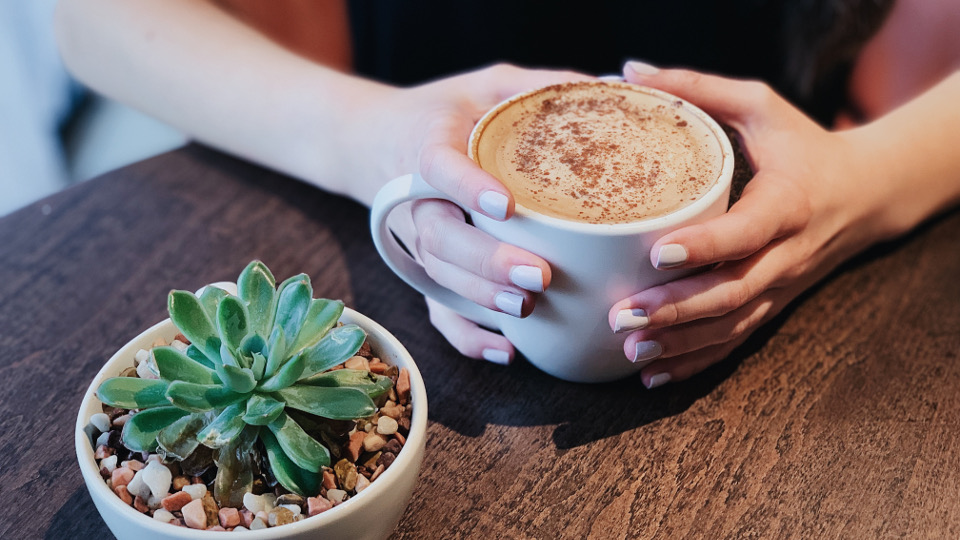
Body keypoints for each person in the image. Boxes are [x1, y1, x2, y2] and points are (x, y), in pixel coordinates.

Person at [54, 0, 960, 388]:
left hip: (780, 273)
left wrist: (864, 181)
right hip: (431, 263)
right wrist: (371, 137)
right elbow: (94, 21)